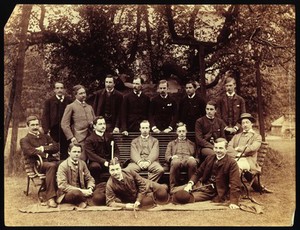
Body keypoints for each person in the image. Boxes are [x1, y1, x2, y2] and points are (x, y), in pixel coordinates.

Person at [172, 138, 241, 210]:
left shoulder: (232, 163)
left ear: (226, 149)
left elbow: (235, 183)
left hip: (214, 191)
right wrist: (190, 184)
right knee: (173, 191)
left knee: (184, 197)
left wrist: (234, 202)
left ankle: (181, 197)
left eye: (221, 148)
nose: (218, 150)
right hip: (201, 185)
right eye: (216, 148)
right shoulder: (209, 158)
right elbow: (198, 173)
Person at [227, 113, 273, 193]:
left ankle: (233, 191)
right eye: (243, 123)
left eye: (247, 122)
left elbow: (252, 148)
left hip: (249, 161)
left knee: (235, 166)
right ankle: (223, 188)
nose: (245, 125)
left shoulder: (257, 136)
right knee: (224, 164)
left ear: (252, 123)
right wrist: (237, 154)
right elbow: (229, 147)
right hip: (236, 158)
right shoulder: (237, 136)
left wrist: (239, 148)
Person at [20, 115, 60, 208]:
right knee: (52, 166)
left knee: (65, 163)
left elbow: (56, 147)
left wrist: (43, 148)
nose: (35, 127)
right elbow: (29, 151)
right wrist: (46, 153)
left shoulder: (45, 137)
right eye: (32, 125)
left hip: (50, 161)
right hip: (37, 164)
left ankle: (68, 194)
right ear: (27, 126)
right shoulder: (24, 140)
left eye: (37, 124)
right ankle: (51, 198)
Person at [56, 143, 106, 208]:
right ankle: (86, 201)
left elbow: (89, 178)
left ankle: (84, 200)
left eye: (79, 152)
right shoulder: (63, 166)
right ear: (69, 152)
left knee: (103, 185)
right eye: (74, 152)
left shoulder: (82, 163)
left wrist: (89, 188)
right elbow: (62, 185)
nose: (77, 154)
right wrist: (81, 191)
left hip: (83, 189)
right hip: (69, 193)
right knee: (76, 193)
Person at [61, 84, 95, 161]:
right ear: (75, 95)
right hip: (79, 139)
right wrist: (71, 137)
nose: (83, 95)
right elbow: (64, 124)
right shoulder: (71, 106)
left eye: (84, 93)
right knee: (80, 160)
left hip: (91, 138)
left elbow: (94, 121)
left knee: (93, 160)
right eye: (81, 93)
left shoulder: (89, 107)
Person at [41, 82, 73, 160]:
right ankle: (54, 166)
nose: (59, 90)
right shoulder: (49, 101)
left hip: (65, 129)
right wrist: (46, 130)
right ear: (54, 90)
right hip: (54, 130)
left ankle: (64, 166)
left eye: (61, 88)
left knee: (65, 149)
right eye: (57, 88)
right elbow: (45, 116)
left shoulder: (69, 100)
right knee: (54, 148)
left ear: (64, 90)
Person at [85, 116, 120, 184]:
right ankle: (97, 185)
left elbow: (116, 150)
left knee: (118, 165)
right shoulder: (90, 139)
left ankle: (115, 185)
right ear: (94, 126)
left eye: (104, 124)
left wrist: (115, 158)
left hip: (109, 161)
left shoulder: (109, 136)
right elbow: (91, 155)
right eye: (100, 124)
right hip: (97, 162)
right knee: (94, 167)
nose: (103, 126)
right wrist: (103, 161)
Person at [165, 122, 198, 192]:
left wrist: (194, 159)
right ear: (177, 132)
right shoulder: (171, 144)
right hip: (177, 160)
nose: (181, 133)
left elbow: (197, 157)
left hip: (188, 161)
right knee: (175, 162)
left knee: (192, 162)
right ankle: (173, 188)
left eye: (183, 131)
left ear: (186, 132)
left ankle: (191, 186)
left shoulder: (192, 144)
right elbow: (167, 156)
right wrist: (172, 157)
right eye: (179, 131)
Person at [216, 72, 246, 141]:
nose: (228, 88)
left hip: (238, 130)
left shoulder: (240, 100)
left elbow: (243, 116)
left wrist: (236, 128)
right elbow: (218, 115)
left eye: (230, 85)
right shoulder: (220, 100)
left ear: (234, 85)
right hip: (224, 130)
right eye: (227, 86)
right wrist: (226, 127)